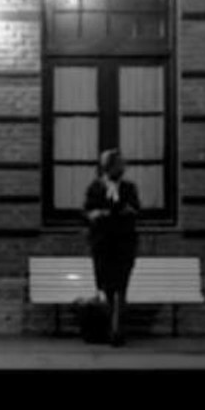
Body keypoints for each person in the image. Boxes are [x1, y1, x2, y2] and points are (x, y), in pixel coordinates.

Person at [84, 148, 142, 346]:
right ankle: (110, 328)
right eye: (119, 164)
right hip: (103, 246)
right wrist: (97, 214)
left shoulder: (129, 188)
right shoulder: (96, 188)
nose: (123, 168)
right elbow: (87, 212)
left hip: (124, 245)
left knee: (121, 287)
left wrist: (125, 212)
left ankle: (117, 330)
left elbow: (136, 210)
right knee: (107, 288)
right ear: (108, 167)